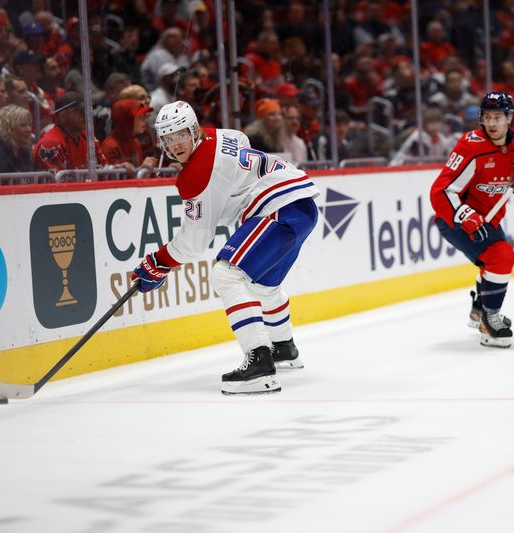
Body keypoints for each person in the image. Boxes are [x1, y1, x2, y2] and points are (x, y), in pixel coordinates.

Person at [130, 101, 319, 394]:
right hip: (301, 204)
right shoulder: (217, 135)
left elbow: (194, 244)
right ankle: (283, 347)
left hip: (278, 208)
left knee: (226, 275)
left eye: (180, 134)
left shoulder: (196, 173)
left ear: (193, 130)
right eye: (168, 138)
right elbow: (241, 140)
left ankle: (259, 363)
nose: (175, 144)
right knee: (263, 286)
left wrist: (159, 261)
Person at [429, 92, 514, 348]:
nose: (492, 123)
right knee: (501, 257)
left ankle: (478, 309)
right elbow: (440, 191)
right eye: (487, 117)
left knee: (493, 260)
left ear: (509, 118)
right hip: (454, 220)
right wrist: (466, 216)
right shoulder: (471, 146)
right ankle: (489, 319)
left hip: (489, 220)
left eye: (498, 117)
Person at [33, 91, 109, 172]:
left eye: (86, 110)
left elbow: (105, 170)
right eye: (78, 111)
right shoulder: (50, 144)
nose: (84, 115)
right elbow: (54, 182)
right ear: (62, 117)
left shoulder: (89, 138)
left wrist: (118, 168)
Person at [101, 98, 157, 170]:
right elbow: (113, 178)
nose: (144, 120)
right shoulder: (110, 146)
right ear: (127, 120)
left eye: (144, 116)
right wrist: (141, 169)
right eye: (140, 117)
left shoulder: (135, 143)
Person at [0, 104, 33, 174]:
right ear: (8, 128)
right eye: (22, 125)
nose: (28, 129)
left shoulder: (24, 151)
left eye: (29, 125)